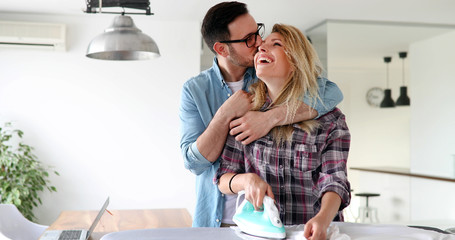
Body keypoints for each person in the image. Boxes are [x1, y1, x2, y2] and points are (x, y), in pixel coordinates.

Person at [180, 1, 343, 228]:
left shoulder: (267, 75)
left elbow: (331, 92)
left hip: (287, 224)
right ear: (221, 49)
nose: (258, 43)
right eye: (248, 39)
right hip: (221, 220)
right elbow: (195, 163)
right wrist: (225, 114)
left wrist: (268, 118)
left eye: (258, 32)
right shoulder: (195, 90)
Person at [216, 23, 351, 240]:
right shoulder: (243, 113)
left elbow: (334, 179)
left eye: (275, 44)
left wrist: (323, 219)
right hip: (261, 236)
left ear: (297, 62)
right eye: (261, 46)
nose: (261, 48)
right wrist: (247, 180)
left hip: (314, 233)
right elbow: (223, 179)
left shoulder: (330, 119)